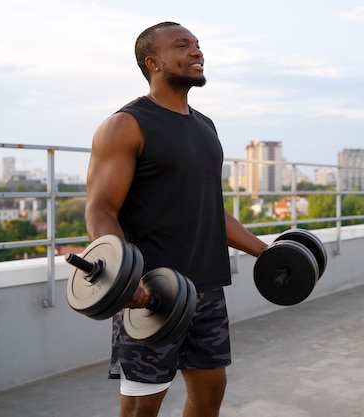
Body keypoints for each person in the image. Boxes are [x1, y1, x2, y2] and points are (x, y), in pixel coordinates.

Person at [85, 21, 268, 417]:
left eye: (198, 45)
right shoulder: (126, 125)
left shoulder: (205, 127)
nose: (197, 51)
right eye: (182, 45)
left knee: (209, 394)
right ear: (153, 62)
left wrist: (266, 252)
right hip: (151, 291)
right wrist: (123, 277)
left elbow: (207, 208)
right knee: (141, 406)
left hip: (206, 287)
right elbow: (101, 209)